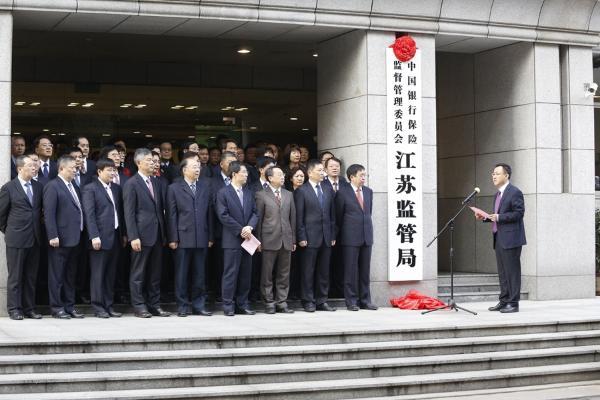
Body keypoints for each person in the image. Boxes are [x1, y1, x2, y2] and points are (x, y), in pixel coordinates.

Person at [123, 148, 170, 318]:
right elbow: (129, 212)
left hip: (157, 234)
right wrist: (133, 236)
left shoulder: (156, 182)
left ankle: (154, 304)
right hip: (141, 235)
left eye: (153, 160)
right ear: (139, 162)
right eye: (149, 160)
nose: (153, 163)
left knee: (155, 273)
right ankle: (139, 305)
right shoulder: (131, 183)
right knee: (138, 273)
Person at [166, 157, 214, 317]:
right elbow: (171, 215)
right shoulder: (174, 188)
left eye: (199, 166)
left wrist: (210, 236)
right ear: (184, 170)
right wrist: (173, 238)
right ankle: (182, 305)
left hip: (201, 236)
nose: (197, 169)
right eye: (194, 166)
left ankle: (199, 305)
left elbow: (209, 214)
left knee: (200, 274)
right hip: (182, 237)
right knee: (181, 274)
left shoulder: (205, 186)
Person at [479, 163, 526, 314]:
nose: (494, 176)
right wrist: (485, 217)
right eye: (493, 173)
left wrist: (499, 217)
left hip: (511, 239)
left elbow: (519, 213)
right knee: (503, 272)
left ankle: (513, 303)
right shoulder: (498, 194)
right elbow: (497, 217)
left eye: (497, 173)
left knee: (512, 272)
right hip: (499, 238)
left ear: (506, 176)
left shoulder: (514, 192)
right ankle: (504, 300)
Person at [0, 155, 43, 320]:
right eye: (31, 165)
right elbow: (1, 215)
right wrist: (11, 230)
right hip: (16, 239)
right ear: (19, 169)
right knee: (15, 277)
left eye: (35, 165)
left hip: (35, 238)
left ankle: (29, 308)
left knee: (31, 277)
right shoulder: (9, 188)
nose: (34, 168)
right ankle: (14, 309)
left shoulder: (38, 187)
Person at [81, 159, 126, 318]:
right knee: (98, 274)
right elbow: (89, 215)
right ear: (99, 172)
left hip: (115, 236)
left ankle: (108, 305)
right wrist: (94, 236)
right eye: (109, 170)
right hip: (99, 237)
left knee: (110, 274)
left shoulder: (116, 189)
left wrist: (124, 234)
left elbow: (120, 213)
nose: (113, 173)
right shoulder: (90, 189)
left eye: (114, 170)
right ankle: (98, 306)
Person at [43, 155, 85, 319]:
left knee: (69, 275)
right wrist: (52, 235)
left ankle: (69, 306)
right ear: (61, 168)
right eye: (72, 168)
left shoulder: (73, 185)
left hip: (74, 238)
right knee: (57, 275)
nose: (75, 170)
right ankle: (56, 307)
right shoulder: (53, 186)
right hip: (59, 239)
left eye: (75, 168)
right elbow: (49, 214)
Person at [216, 161, 259, 316]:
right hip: (232, 239)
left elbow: (255, 213)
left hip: (248, 239)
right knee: (230, 273)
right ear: (234, 174)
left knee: (246, 273)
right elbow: (223, 215)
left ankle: (242, 303)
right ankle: (228, 304)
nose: (246, 175)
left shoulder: (248, 192)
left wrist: (250, 227)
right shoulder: (223, 193)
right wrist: (240, 229)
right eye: (244, 172)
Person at [294, 159, 337, 312]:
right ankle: (308, 300)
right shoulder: (302, 191)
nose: (322, 173)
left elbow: (332, 215)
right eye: (319, 170)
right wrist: (301, 236)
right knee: (308, 270)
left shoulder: (327, 189)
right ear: (310, 172)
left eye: (322, 170)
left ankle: (322, 300)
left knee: (324, 271)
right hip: (309, 237)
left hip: (326, 236)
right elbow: (299, 217)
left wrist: (332, 235)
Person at [335, 164, 377, 311]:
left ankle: (365, 300)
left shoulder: (368, 192)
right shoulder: (342, 193)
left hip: (367, 235)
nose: (364, 178)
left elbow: (368, 213)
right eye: (361, 175)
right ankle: (351, 301)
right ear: (352, 177)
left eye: (365, 175)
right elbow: (338, 216)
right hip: (350, 236)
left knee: (365, 270)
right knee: (350, 270)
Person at [255, 166, 296, 314]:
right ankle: (269, 301)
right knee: (267, 273)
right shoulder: (261, 195)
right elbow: (258, 220)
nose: (283, 176)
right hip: (268, 239)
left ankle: (281, 302)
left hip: (286, 238)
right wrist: (258, 240)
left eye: (283, 173)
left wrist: (293, 240)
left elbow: (293, 219)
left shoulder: (288, 194)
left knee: (284, 273)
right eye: (279, 174)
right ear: (270, 178)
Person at [208, 151, 238, 300]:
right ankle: (219, 294)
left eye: (235, 162)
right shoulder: (211, 182)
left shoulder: (240, 183)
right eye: (230, 162)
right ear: (221, 164)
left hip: (238, 233)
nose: (233, 166)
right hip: (219, 231)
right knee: (220, 265)